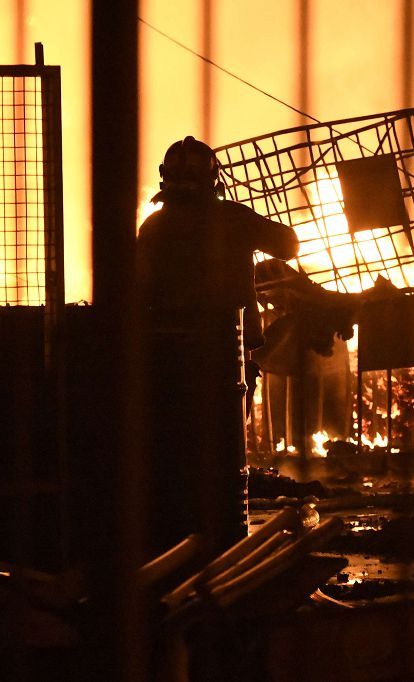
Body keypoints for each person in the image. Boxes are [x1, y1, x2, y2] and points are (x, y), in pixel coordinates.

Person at [136, 136, 298, 555]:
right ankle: (222, 539)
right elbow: (290, 244)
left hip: (166, 359)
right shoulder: (232, 218)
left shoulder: (152, 228)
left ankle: (176, 544)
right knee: (226, 452)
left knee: (175, 452)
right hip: (228, 354)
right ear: (214, 179)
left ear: (165, 179)